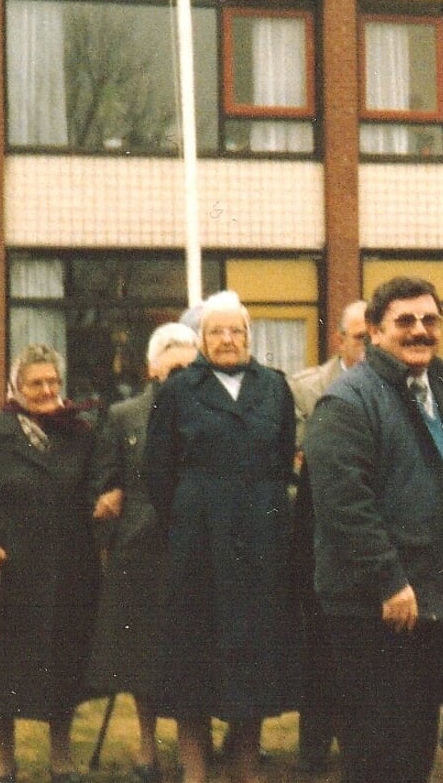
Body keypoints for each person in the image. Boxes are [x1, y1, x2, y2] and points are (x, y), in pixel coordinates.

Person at [305, 276, 443, 783]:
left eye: (429, 321)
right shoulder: (347, 402)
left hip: (426, 599)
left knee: (415, 747)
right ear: (375, 333)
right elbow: (343, 506)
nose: (420, 331)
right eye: (405, 321)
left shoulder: (441, 389)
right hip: (375, 606)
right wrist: (388, 580)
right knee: (377, 753)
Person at [144, 291, 301, 783]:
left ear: (249, 337)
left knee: (254, 652)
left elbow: (281, 459)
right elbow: (157, 471)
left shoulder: (274, 387)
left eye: (236, 331)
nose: (228, 339)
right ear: (202, 339)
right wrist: (194, 515)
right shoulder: (178, 391)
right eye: (217, 332)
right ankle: (194, 768)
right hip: (197, 541)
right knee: (193, 655)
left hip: (260, 539)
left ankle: (245, 766)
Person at [0, 343, 115, 783]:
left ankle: (61, 757)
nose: (46, 391)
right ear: (17, 387)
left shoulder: (79, 435)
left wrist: (103, 502)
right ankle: (5, 760)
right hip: (9, 574)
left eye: (53, 383)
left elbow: (94, 487)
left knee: (63, 665)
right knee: (1, 669)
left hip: (68, 573)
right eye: (36, 383)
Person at [85, 322, 198, 783]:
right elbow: (104, 475)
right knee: (143, 653)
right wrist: (108, 494)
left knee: (194, 651)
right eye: (169, 358)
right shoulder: (124, 415)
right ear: (153, 366)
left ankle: (198, 743)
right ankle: (147, 744)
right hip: (141, 549)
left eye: (188, 358)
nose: (178, 366)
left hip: (194, 548)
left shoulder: (207, 412)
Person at [285, 299, 366, 772]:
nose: (367, 346)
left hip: (369, 532)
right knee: (320, 646)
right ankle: (314, 749)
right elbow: (296, 456)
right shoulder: (306, 389)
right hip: (316, 533)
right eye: (358, 337)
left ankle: (360, 745)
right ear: (338, 339)